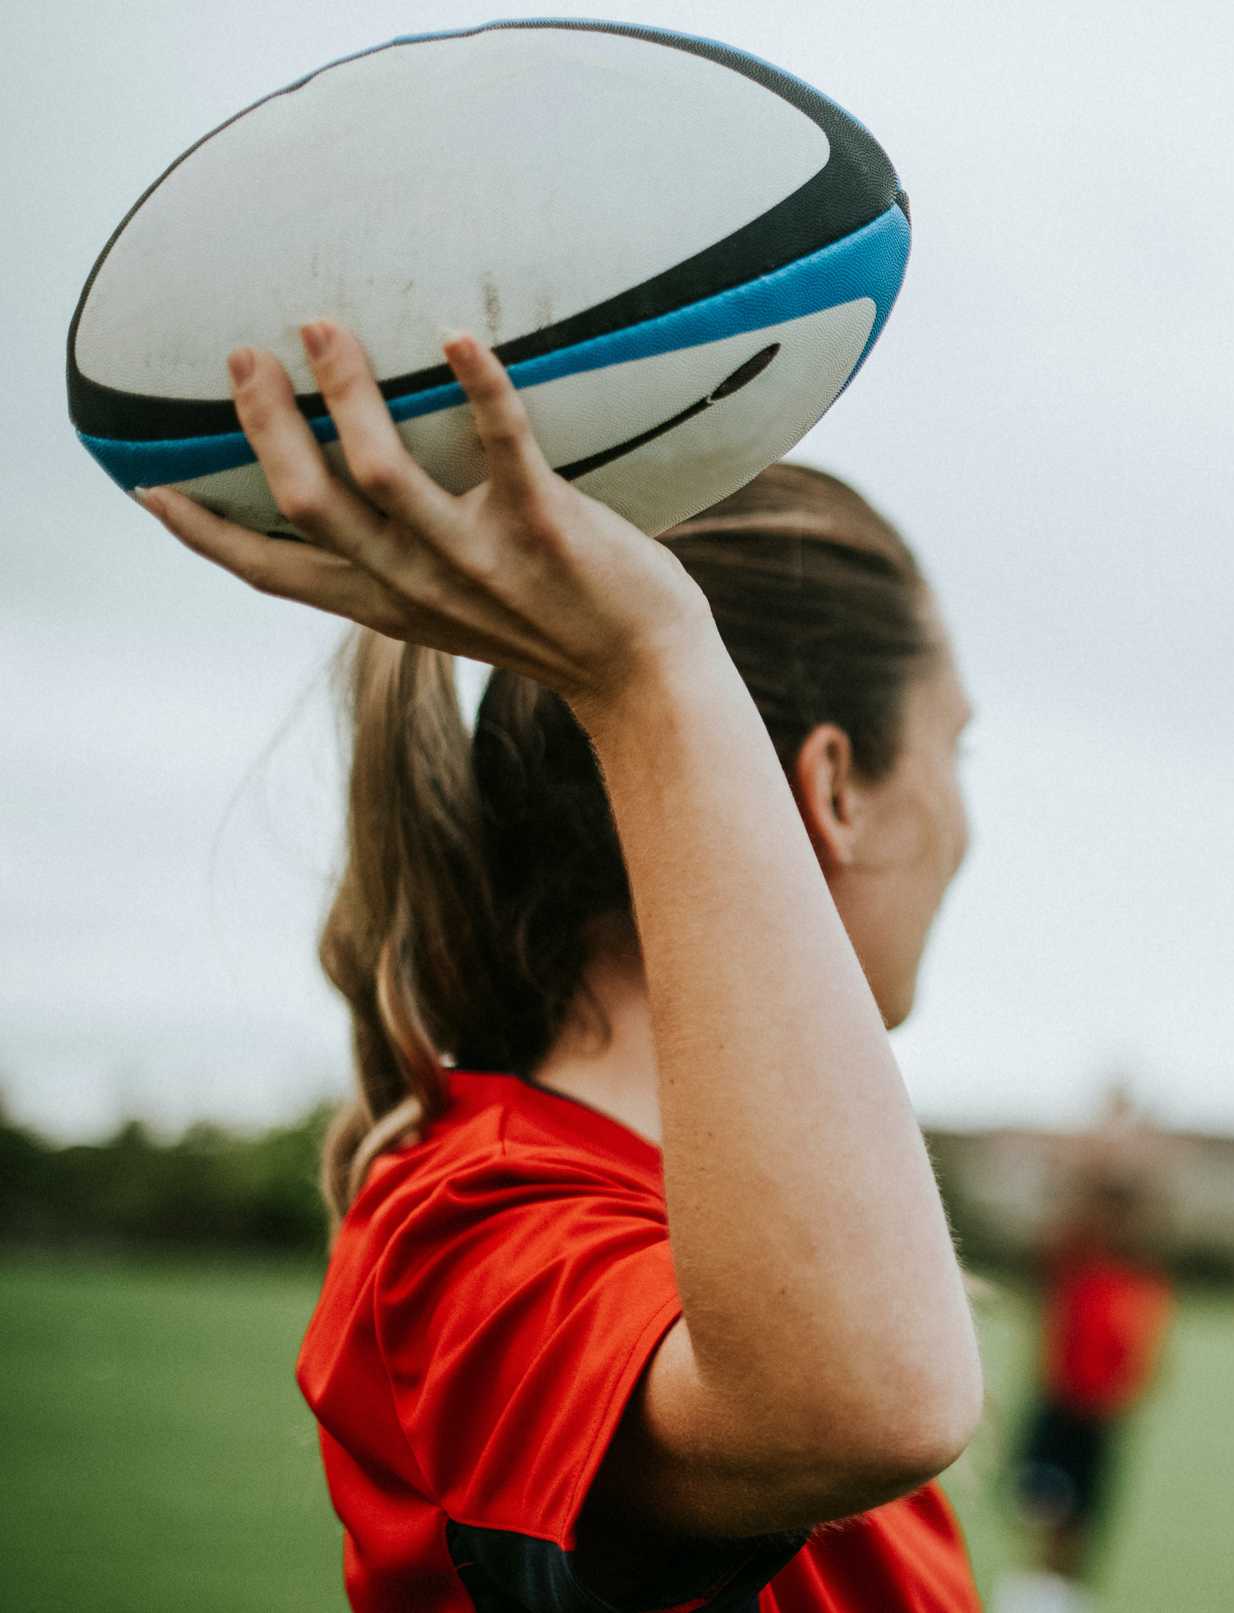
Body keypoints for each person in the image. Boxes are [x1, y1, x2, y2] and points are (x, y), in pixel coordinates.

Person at [137, 323, 984, 1611]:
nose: (969, 824)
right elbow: (865, 1402)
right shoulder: (480, 1225)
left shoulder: (757, 1248)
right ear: (834, 788)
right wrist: (648, 666)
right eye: (954, 750)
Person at [998, 1106, 1175, 1613]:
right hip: (1060, 1411)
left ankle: (1060, 1601)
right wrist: (1102, 1141)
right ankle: (1030, 1600)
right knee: (1044, 1522)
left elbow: (1145, 1365)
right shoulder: (1076, 1263)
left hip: (1101, 1422)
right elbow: (1076, 1194)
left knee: (1084, 1532)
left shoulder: (1142, 1279)